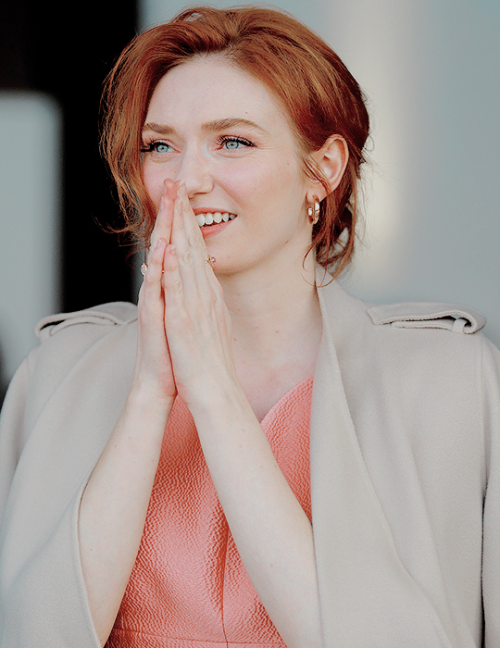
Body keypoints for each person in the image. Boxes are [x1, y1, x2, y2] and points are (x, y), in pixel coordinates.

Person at [0, 5, 499, 648]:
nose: (188, 179)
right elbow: (36, 633)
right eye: (160, 146)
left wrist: (212, 391)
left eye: (232, 141)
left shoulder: (450, 383)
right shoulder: (59, 374)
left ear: (324, 170)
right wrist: (151, 395)